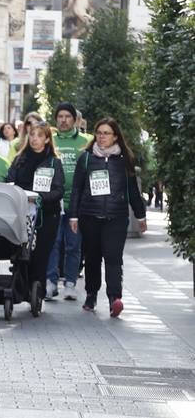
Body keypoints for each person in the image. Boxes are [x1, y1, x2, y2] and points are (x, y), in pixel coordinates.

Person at [68, 118, 147, 317]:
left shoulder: (124, 160)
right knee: (93, 258)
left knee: (113, 258)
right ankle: (91, 294)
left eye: (106, 133)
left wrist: (140, 215)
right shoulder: (86, 158)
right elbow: (77, 189)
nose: (102, 137)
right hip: (90, 216)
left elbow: (132, 191)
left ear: (115, 137)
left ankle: (114, 299)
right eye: (99, 133)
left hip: (116, 217)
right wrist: (74, 216)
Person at [5, 122, 65, 297]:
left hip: (46, 215)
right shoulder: (20, 159)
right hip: (21, 213)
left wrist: (38, 198)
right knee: (21, 253)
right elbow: (9, 180)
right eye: (32, 135)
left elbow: (58, 190)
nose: (35, 139)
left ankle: (36, 290)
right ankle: (20, 287)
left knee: (40, 255)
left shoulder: (54, 162)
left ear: (47, 139)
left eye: (39, 136)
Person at [48, 103, 92, 301]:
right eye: (60, 116)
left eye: (67, 116)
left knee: (74, 245)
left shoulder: (86, 141)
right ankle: (50, 282)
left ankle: (70, 284)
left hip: (76, 204)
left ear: (75, 120)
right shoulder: (50, 140)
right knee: (53, 243)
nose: (63, 120)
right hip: (53, 202)